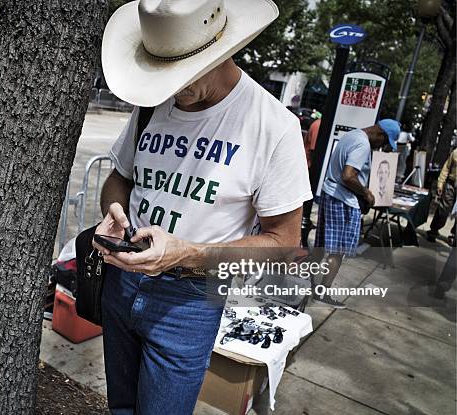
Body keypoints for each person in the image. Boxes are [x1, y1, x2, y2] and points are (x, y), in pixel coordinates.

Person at [94, 1, 312, 413]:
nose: (171, 88)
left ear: (221, 50)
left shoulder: (273, 126)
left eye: (181, 74)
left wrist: (191, 254)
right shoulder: (152, 105)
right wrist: (114, 212)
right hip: (121, 283)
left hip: (190, 299)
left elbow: (284, 243)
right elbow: (119, 178)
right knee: (120, 407)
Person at [314, 119, 399, 308]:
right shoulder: (362, 144)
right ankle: (322, 292)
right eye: (384, 143)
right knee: (338, 251)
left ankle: (307, 283)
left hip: (331, 193)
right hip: (343, 200)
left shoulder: (353, 135)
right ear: (380, 134)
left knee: (321, 244)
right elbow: (348, 175)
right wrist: (366, 193)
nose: (382, 148)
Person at [427, 148, 456, 245]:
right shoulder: (455, 152)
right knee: (443, 209)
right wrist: (440, 183)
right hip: (451, 184)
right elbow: (446, 168)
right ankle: (433, 230)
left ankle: (454, 235)